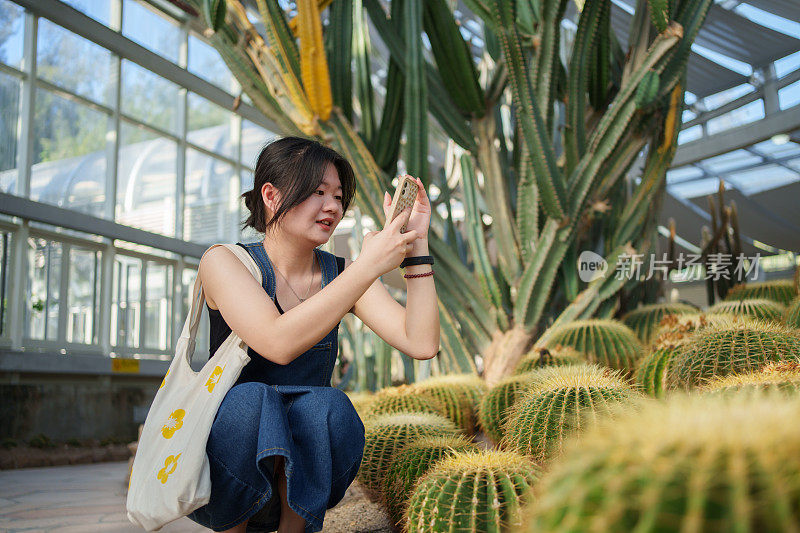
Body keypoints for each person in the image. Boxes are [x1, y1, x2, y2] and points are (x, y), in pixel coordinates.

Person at [186, 136, 440, 533]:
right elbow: (277, 343)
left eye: (339, 196)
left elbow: (421, 343)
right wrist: (366, 267)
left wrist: (417, 245)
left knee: (326, 406)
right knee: (253, 401)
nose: (333, 207)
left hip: (306, 474)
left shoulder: (340, 273)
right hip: (226, 474)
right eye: (318, 192)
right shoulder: (224, 262)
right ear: (271, 196)